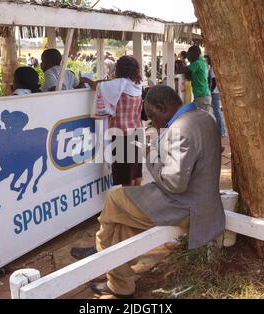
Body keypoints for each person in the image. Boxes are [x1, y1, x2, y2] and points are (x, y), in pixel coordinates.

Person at [72, 85, 225, 298]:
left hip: (185, 209)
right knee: (122, 226)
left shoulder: (180, 130)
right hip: (201, 202)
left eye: (152, 116)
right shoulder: (204, 116)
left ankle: (101, 251)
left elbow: (174, 184)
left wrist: (150, 152)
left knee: (115, 199)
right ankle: (120, 283)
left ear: (162, 107)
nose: (152, 122)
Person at [80, 55, 143, 187]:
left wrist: (85, 79)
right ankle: (138, 202)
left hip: (121, 136)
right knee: (136, 174)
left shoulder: (119, 84)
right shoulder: (137, 84)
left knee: (125, 179)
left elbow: (98, 86)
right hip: (136, 132)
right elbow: (108, 84)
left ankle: (128, 206)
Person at [185, 46, 211, 111]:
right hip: (203, 95)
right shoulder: (202, 62)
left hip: (202, 96)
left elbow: (185, 70)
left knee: (202, 120)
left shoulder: (197, 63)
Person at [205, 55, 226, 137]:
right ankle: (220, 130)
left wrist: (210, 91)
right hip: (214, 92)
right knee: (215, 111)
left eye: (206, 60)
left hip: (215, 92)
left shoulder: (213, 69)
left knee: (216, 111)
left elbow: (214, 82)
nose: (205, 61)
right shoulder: (211, 68)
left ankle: (222, 131)